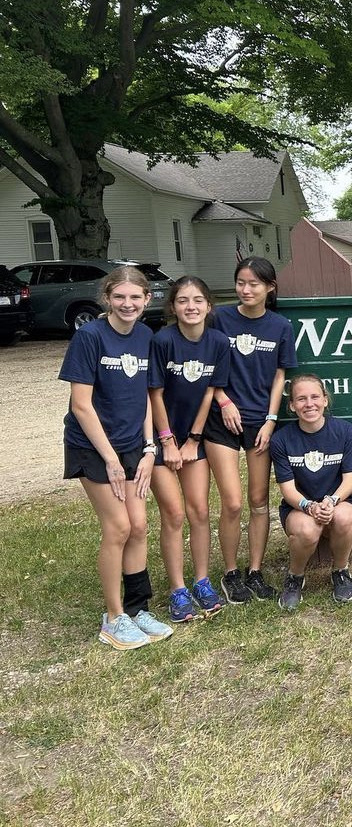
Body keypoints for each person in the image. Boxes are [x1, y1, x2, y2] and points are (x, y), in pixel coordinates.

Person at [60, 267, 173, 649]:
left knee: (139, 525)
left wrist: (148, 447)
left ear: (147, 300)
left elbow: (142, 395)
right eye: (120, 297)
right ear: (107, 298)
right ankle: (113, 617)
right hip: (93, 446)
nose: (128, 304)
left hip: (131, 446)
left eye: (135, 297)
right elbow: (81, 405)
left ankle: (138, 609)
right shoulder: (90, 337)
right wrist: (109, 457)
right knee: (119, 527)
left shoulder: (144, 335)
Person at [206, 257, 297, 603]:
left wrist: (272, 420)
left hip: (261, 421)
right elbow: (207, 365)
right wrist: (224, 401)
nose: (246, 290)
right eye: (241, 282)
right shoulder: (220, 319)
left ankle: (255, 571)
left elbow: (279, 376)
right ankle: (231, 573)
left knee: (259, 501)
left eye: (254, 284)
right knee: (232, 502)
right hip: (222, 419)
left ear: (269, 288)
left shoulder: (280, 326)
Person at [148, 276, 231, 622]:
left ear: (208, 306)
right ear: (173, 307)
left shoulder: (218, 342)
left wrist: (193, 439)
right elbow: (154, 393)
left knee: (199, 511)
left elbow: (212, 391)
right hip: (161, 438)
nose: (191, 307)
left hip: (193, 440)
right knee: (175, 514)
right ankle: (178, 590)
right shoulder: (162, 340)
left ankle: (201, 581)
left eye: (198, 300)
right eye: (183, 300)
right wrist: (168, 441)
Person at [269, 374, 352, 610]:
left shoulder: (344, 431)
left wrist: (331, 502)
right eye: (301, 399)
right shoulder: (282, 439)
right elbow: (288, 489)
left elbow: (349, 479)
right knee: (308, 529)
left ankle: (340, 571)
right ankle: (295, 577)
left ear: (325, 400)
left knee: (346, 518)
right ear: (292, 406)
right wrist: (309, 507)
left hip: (336, 500)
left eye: (315, 397)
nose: (309, 404)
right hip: (299, 507)